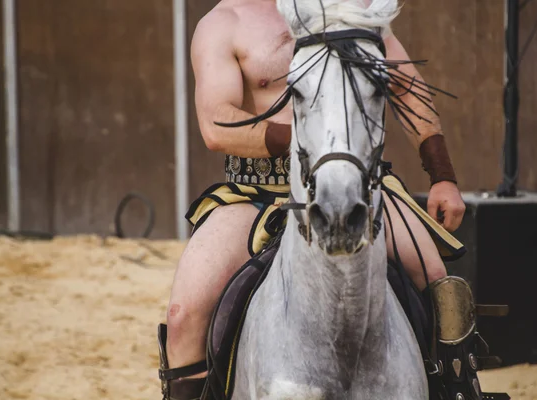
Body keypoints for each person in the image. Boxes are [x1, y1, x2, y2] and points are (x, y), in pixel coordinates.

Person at [158, 1, 487, 399]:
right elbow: (216, 124)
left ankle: (459, 389)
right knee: (182, 317)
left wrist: (443, 176)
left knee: (439, 285)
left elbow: (407, 88)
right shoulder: (226, 22)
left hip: (357, 185)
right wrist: (307, 132)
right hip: (254, 194)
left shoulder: (351, 10)